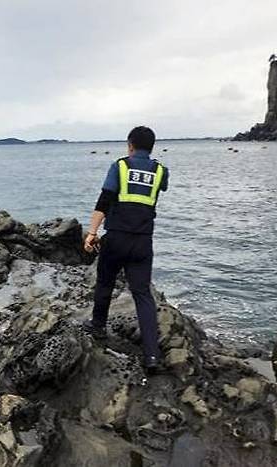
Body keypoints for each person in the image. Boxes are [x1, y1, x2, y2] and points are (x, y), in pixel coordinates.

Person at [82, 126, 169, 371]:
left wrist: (92, 233)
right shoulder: (161, 170)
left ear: (130, 145)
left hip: (116, 238)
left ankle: (98, 327)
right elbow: (161, 187)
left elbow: (104, 201)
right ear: (151, 147)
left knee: (105, 283)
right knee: (142, 295)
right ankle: (152, 355)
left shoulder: (120, 166)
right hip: (142, 241)